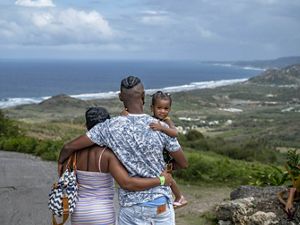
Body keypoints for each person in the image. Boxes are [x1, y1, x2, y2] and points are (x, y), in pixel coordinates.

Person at [58, 75, 188, 225]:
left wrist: (61, 162)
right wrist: (165, 171)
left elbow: (69, 147)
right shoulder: (160, 127)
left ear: (120, 97)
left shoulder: (108, 127)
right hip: (160, 205)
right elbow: (183, 163)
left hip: (131, 208)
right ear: (144, 96)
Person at [66, 107, 173, 225]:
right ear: (107, 126)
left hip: (78, 212)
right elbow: (127, 183)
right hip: (101, 213)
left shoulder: (74, 153)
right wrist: (162, 179)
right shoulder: (107, 154)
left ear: (86, 125)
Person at [149, 91, 188, 209]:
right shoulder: (150, 119)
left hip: (168, 160)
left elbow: (175, 133)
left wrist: (162, 128)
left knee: (168, 178)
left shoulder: (166, 121)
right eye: (159, 108)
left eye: (166, 108)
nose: (163, 111)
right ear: (152, 108)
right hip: (160, 159)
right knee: (164, 178)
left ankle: (179, 197)